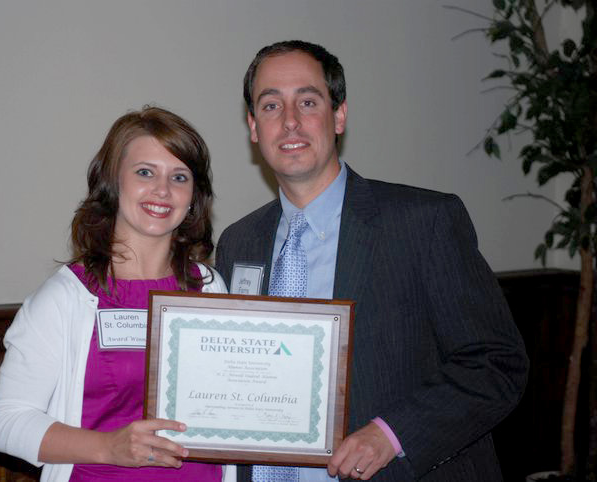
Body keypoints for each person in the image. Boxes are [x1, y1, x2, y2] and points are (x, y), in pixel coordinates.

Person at [216, 40, 529, 481]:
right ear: (253, 126)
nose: (290, 121)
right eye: (270, 106)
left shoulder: (423, 222)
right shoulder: (238, 243)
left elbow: (497, 363)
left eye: (308, 101)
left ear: (339, 115)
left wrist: (390, 435)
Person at [0, 106, 229, 482]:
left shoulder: (213, 288)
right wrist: (108, 447)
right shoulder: (66, 297)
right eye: (145, 172)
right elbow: (6, 423)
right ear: (113, 182)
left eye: (179, 176)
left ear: (194, 194)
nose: (162, 191)